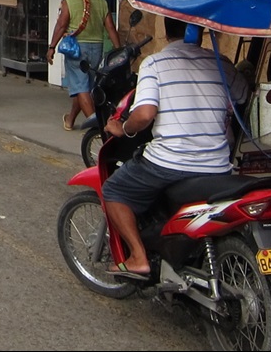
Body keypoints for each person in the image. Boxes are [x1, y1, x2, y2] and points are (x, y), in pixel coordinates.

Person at [101, 18, 247, 277]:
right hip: (217, 166)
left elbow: (144, 114)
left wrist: (122, 128)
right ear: (200, 31)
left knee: (113, 189)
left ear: (166, 32)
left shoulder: (155, 63)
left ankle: (138, 256)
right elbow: (244, 96)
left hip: (169, 164)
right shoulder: (221, 63)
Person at [46, 0, 123, 131]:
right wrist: (119, 50)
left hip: (76, 49)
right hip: (97, 48)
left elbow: (61, 25)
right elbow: (110, 27)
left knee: (81, 87)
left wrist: (52, 47)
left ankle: (97, 126)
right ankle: (70, 120)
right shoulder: (101, 1)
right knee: (85, 87)